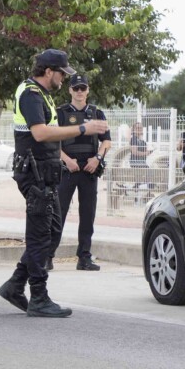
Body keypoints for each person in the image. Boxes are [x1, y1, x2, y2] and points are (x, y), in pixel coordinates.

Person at [0, 49, 109, 318]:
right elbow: (41, 132)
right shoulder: (30, 94)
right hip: (34, 173)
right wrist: (83, 128)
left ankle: (15, 285)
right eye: (61, 73)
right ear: (48, 72)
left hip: (45, 173)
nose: (63, 79)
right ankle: (38, 296)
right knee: (39, 235)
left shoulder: (42, 94)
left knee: (52, 230)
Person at [56, 73, 112, 271]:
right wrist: (67, 160)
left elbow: (107, 140)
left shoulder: (97, 113)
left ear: (88, 90)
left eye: (83, 88)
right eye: (76, 88)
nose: (79, 92)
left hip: (89, 169)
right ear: (70, 90)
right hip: (67, 169)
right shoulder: (60, 113)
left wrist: (97, 159)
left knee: (87, 215)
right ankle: (47, 256)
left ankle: (84, 257)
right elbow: (52, 140)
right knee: (58, 213)